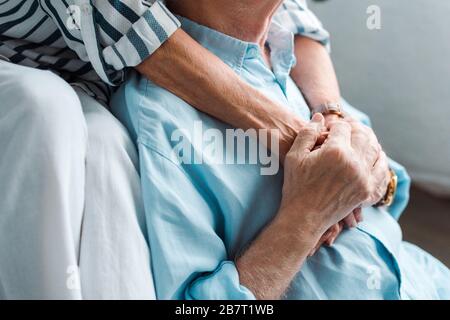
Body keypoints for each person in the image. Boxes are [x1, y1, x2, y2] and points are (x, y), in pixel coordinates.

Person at [0, 0, 341, 299]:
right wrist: (308, 151)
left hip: (92, 77)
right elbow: (124, 20)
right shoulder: (159, 115)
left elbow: (291, 14)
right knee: (45, 108)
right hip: (18, 60)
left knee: (104, 143)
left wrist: (334, 118)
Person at [111, 0, 450, 299]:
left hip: (425, 278)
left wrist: (377, 179)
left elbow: (390, 190)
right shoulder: (162, 119)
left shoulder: (288, 55)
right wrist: (307, 217)